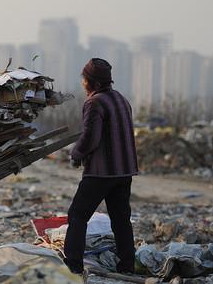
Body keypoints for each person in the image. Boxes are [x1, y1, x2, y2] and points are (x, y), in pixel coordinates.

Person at [63, 58, 138, 274]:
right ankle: (127, 266)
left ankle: (73, 267)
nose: (82, 83)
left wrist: (76, 154)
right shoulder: (122, 100)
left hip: (101, 173)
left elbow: (90, 138)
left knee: (77, 215)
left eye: (84, 80)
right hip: (124, 172)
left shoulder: (94, 103)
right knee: (121, 220)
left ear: (92, 83)